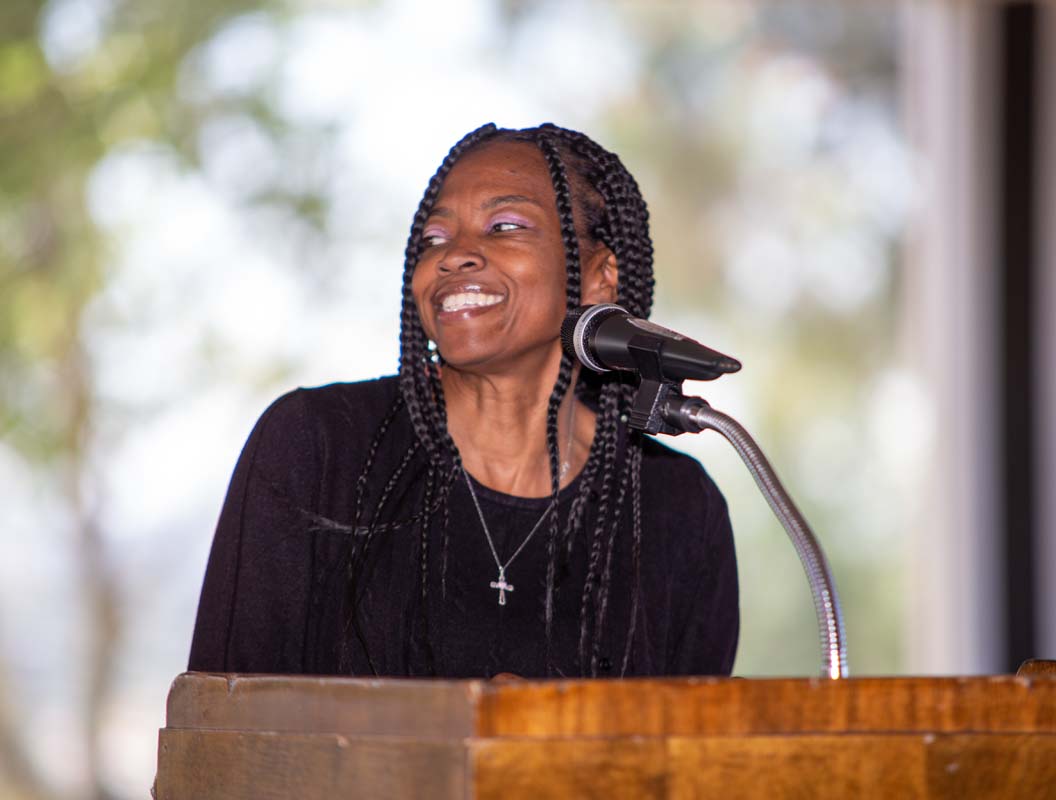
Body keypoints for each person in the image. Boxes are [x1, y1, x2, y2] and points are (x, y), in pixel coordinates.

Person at [187, 123, 739, 679]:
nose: (453, 256)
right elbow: (216, 725)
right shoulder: (319, 446)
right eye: (433, 239)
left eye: (505, 225)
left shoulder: (676, 509)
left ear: (600, 279)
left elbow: (687, 757)